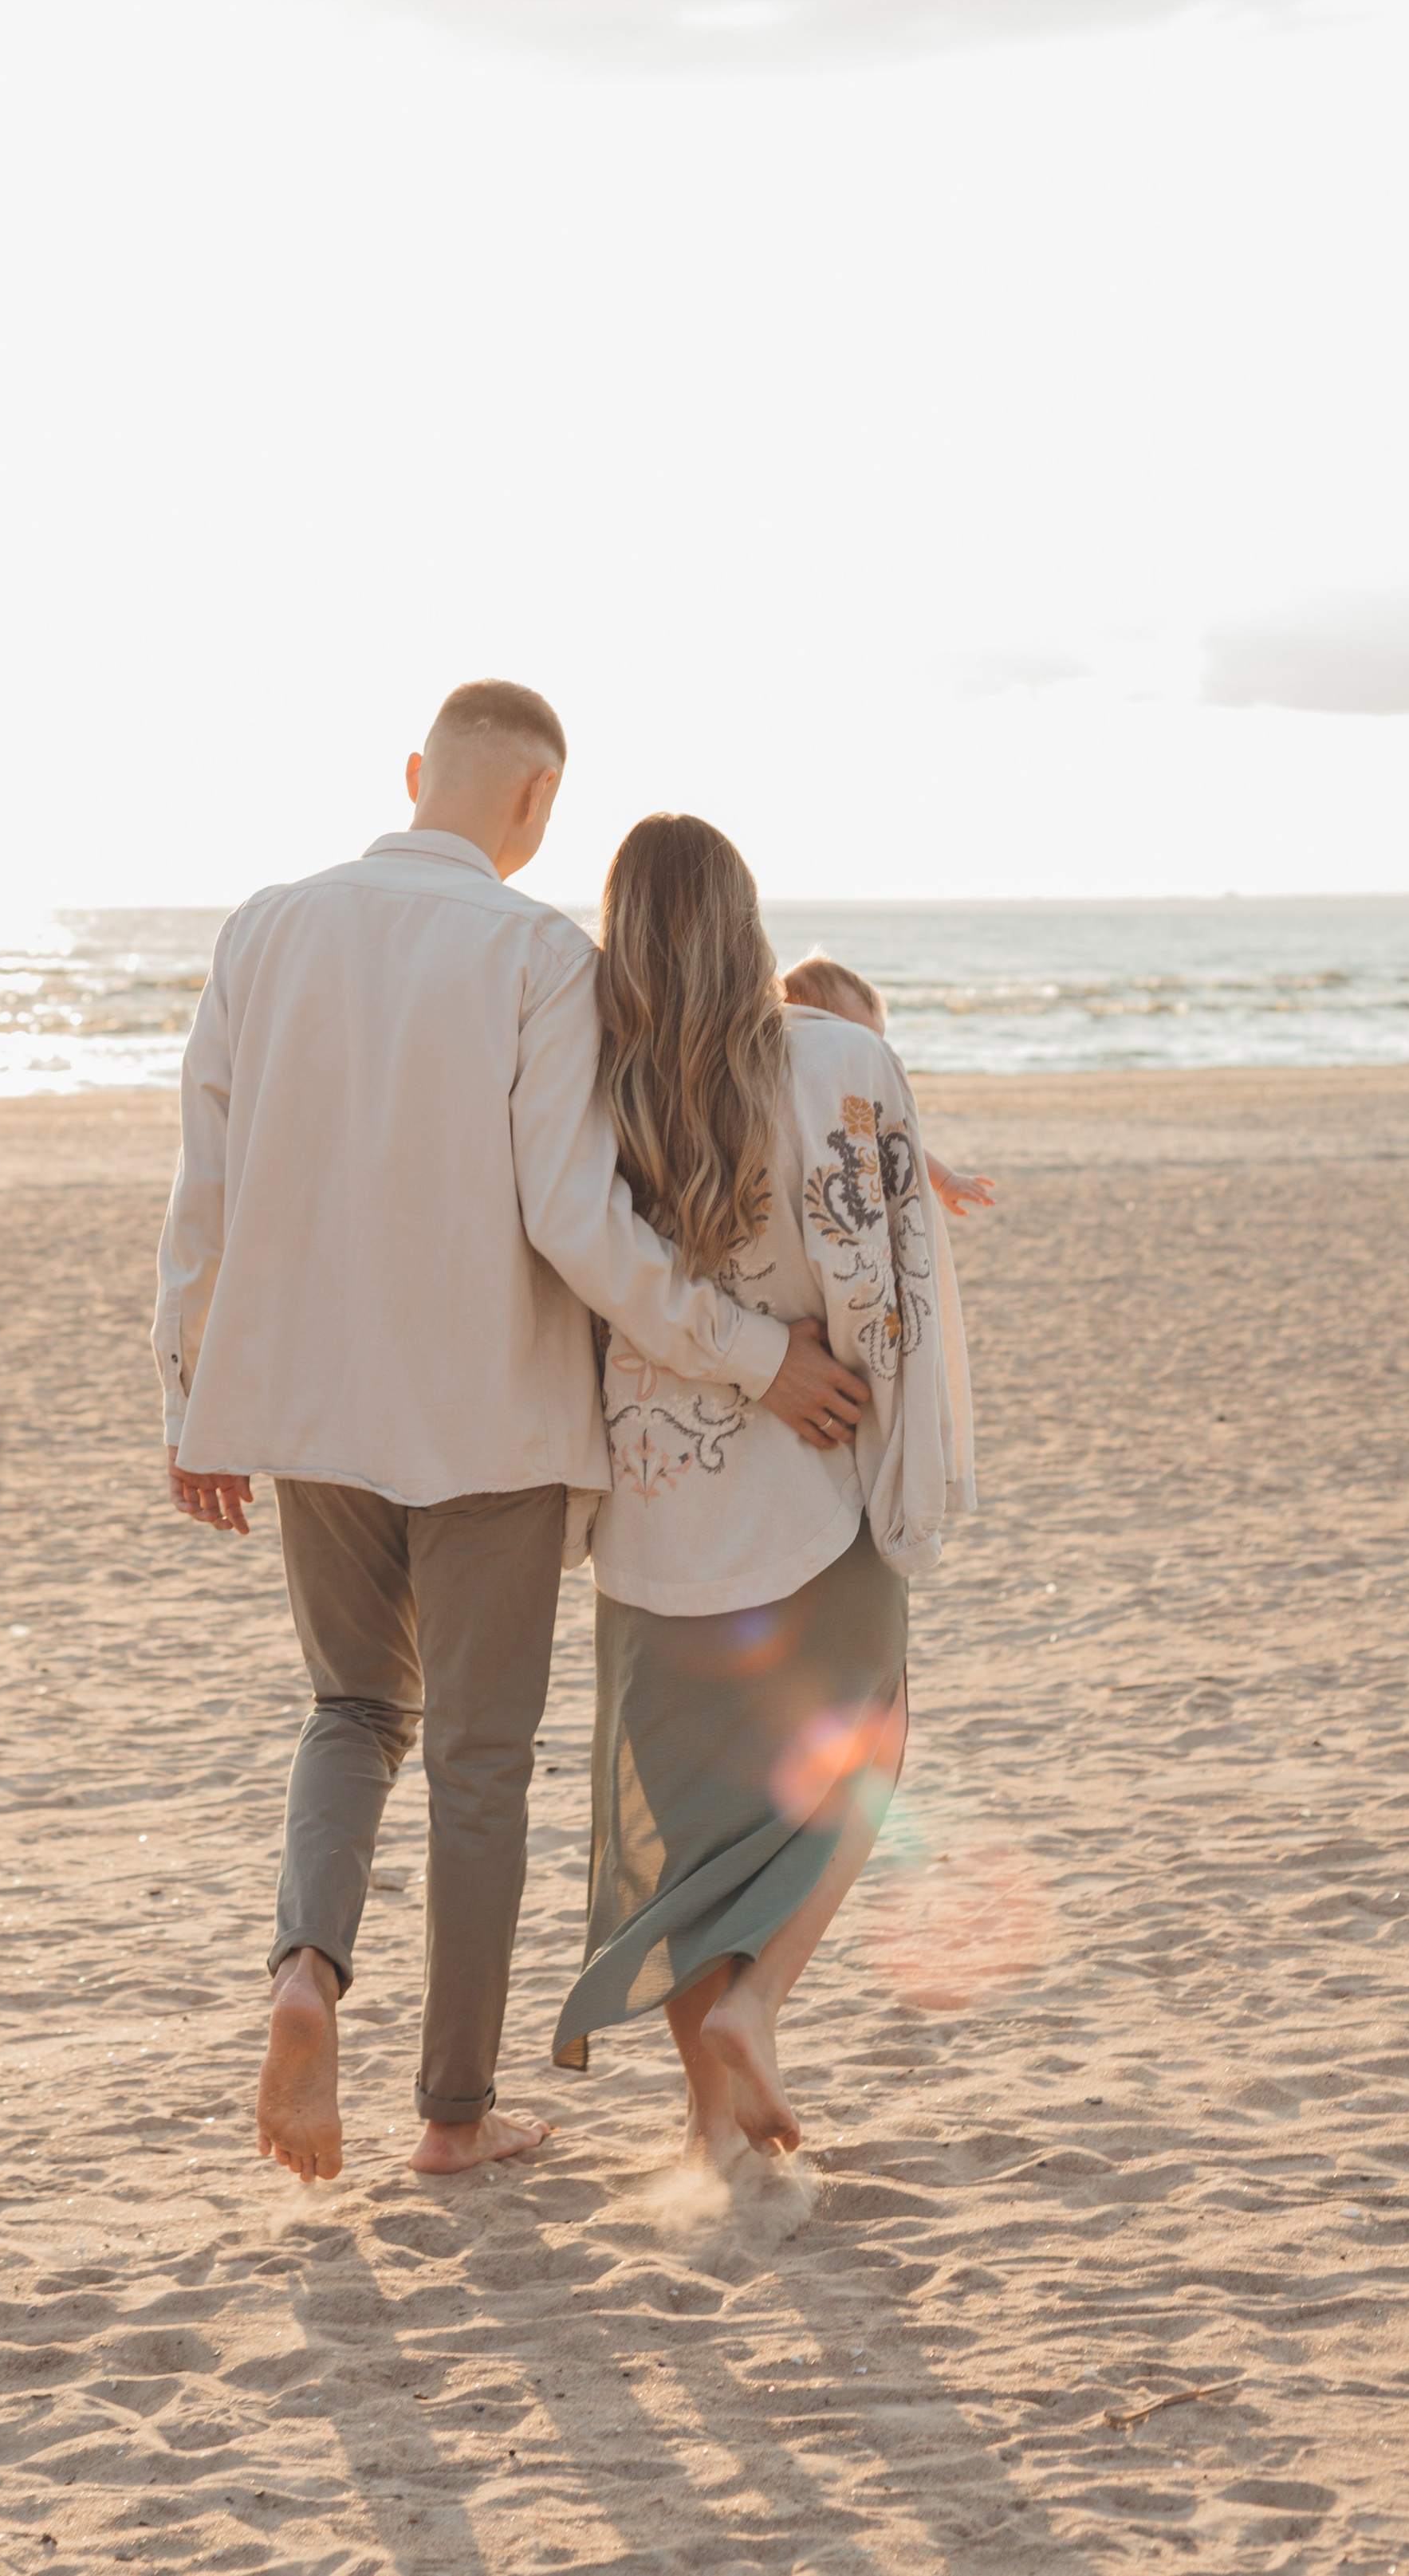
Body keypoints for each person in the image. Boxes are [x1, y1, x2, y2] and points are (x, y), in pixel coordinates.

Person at [155, 685, 872, 2186]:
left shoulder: (262, 928)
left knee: (352, 1713)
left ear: (418, 775)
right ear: (540, 806)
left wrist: (190, 1395)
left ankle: (304, 1975)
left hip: (305, 1412)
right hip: (491, 1423)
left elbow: (201, 1191)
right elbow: (574, 1221)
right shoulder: (542, 955)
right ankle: (454, 2114)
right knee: (479, 1764)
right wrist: (753, 1353)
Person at [553, 818, 974, 2162]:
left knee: (691, 1822)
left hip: (656, 1501)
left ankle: (707, 2133)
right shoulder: (842, 1060)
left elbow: (588, 1268)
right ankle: (762, 2001)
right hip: (817, 1476)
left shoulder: (591, 1083)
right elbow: (897, 1296)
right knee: (871, 1743)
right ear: (747, 921)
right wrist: (888, 1444)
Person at [779, 952, 996, 1219]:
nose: (871, 1058)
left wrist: (945, 1181)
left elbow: (899, 1142)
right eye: (861, 1041)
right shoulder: (786, 1084)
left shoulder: (853, 1099)